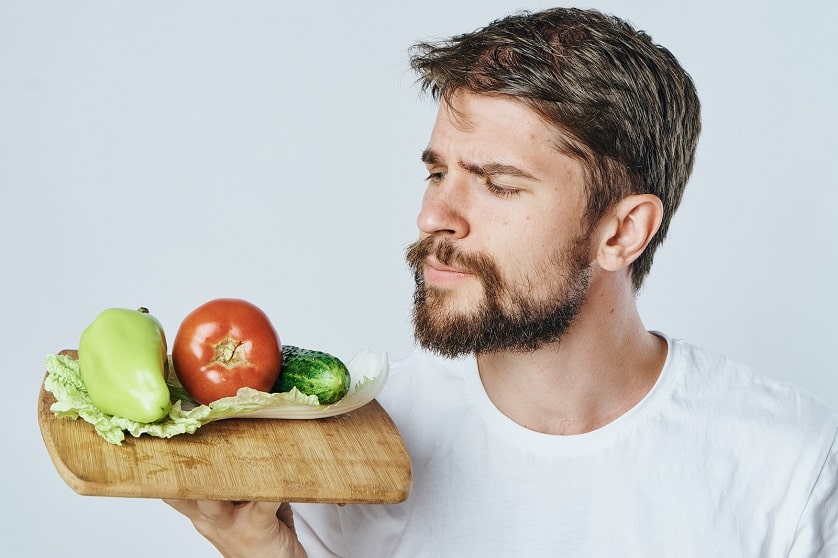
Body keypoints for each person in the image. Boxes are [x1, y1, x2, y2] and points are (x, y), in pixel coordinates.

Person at [165, 7, 838, 557]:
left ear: (622, 232)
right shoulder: (355, 446)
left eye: (498, 184)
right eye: (437, 173)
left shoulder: (785, 466)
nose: (433, 216)